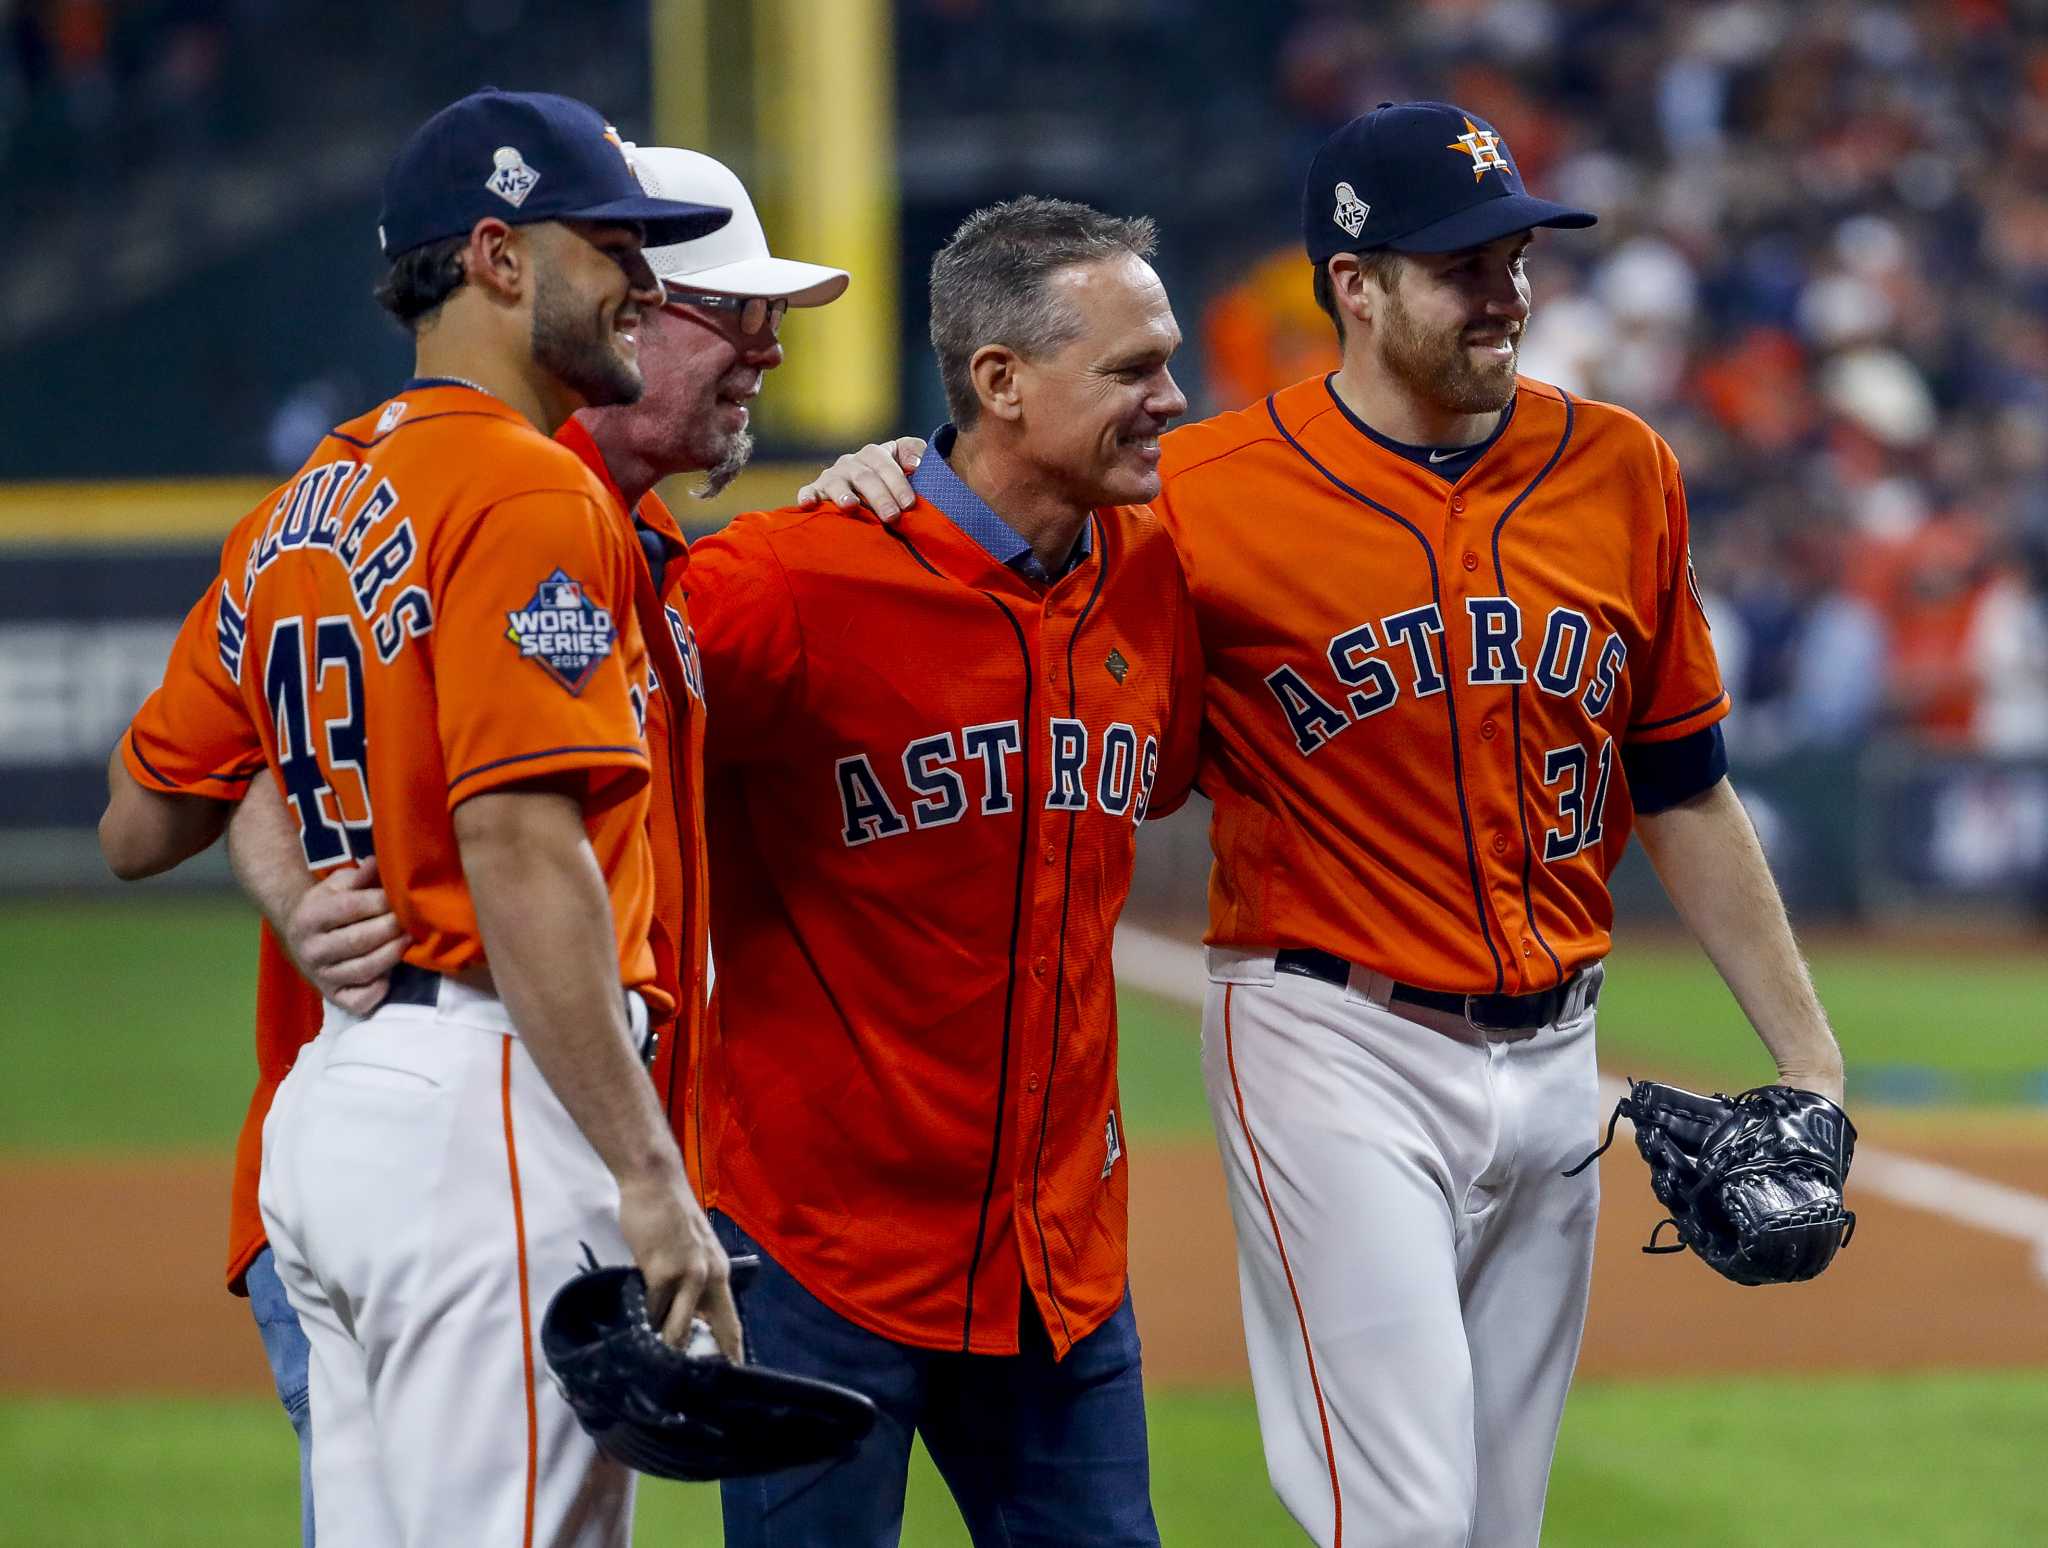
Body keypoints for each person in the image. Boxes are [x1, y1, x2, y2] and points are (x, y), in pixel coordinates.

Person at [802, 102, 1849, 1548]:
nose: (1509, 291)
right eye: (1462, 264)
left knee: (1492, 1526)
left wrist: (1812, 1063)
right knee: (1404, 1521)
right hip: (1332, 1038)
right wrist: (889, 481)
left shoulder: (1622, 470)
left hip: (1558, 1057)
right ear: (1352, 285)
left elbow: (1682, 782)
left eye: (1519, 254)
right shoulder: (1196, 499)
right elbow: (998, 546)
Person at [104, 137, 846, 1544]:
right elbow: (518, 844)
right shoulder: (527, 490)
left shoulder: (305, 500)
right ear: (498, 259)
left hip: (337, 1122)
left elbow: (141, 818)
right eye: (611, 251)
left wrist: (304, 855)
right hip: (488, 1093)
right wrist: (649, 1175)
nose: (636, 278)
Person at [683, 195, 1202, 1547]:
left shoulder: (1159, 568)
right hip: (817, 1263)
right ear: (1000, 382)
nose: (1174, 398)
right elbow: (559, 727)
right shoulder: (786, 583)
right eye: (1134, 369)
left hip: (1058, 1273)